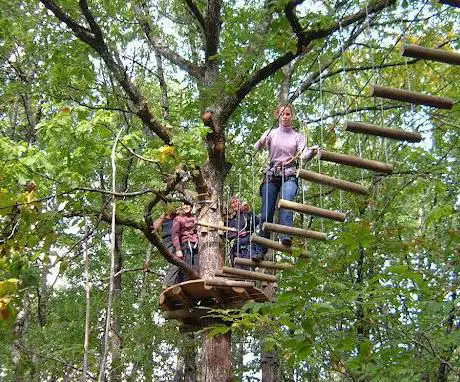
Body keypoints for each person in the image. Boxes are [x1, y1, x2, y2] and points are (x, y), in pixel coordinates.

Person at [252, 104, 318, 261]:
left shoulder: (298, 136)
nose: (285, 116)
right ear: (278, 116)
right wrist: (262, 140)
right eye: (282, 114)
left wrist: (312, 152)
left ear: (291, 116)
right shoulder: (271, 133)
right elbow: (256, 147)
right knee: (266, 212)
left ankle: (285, 236)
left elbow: (303, 155)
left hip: (289, 174)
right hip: (271, 174)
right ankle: (260, 249)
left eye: (288, 114)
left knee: (287, 204)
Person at [225, 197, 259, 269]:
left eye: (236, 201)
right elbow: (226, 234)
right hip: (236, 246)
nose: (235, 204)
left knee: (249, 268)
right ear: (230, 206)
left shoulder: (245, 214)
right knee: (237, 269)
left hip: (248, 243)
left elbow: (256, 222)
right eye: (233, 203)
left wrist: (249, 211)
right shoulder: (230, 220)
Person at [152, 204, 180, 288]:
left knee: (180, 262)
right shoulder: (164, 219)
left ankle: (173, 283)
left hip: (178, 241)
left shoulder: (177, 218)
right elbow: (154, 228)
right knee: (174, 263)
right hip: (168, 240)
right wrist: (163, 215)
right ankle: (168, 284)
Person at [171, 202, 198, 282]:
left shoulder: (195, 218)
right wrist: (178, 249)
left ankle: (195, 282)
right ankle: (185, 282)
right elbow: (175, 234)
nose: (186, 206)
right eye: (184, 205)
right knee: (186, 265)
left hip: (196, 244)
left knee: (196, 266)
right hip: (185, 245)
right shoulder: (178, 218)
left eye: (188, 205)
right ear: (182, 207)